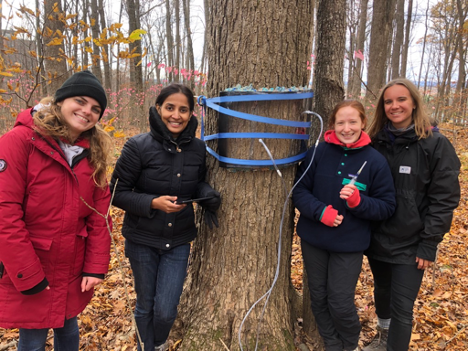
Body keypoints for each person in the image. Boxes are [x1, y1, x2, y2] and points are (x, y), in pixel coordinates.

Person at [0, 70, 112, 350]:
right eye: (80, 101)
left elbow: (100, 216)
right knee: (33, 338)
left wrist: (95, 267)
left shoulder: (93, 154)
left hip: (72, 264)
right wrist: (28, 274)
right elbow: (5, 213)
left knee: (68, 326)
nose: (87, 111)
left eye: (95, 108)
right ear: (60, 101)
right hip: (30, 261)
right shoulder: (19, 141)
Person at [110, 83, 220, 351]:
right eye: (170, 107)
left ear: (191, 114)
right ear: (158, 108)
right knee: (146, 304)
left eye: (184, 110)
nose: (176, 115)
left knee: (166, 310)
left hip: (178, 239)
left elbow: (197, 183)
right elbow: (116, 193)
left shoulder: (197, 148)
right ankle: (145, 347)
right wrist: (153, 203)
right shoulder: (137, 146)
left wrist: (207, 195)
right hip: (141, 239)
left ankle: (157, 343)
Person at [364, 78, 461, 351]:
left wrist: (429, 243)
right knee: (382, 293)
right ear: (383, 107)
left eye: (401, 99)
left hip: (412, 244)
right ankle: (384, 339)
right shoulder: (374, 143)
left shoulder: (435, 145)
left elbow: (445, 198)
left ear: (414, 102)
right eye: (389, 101)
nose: (395, 106)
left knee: (402, 307)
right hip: (377, 238)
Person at [293, 100, 396, 351]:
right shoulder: (318, 152)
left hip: (349, 244)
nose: (346, 128)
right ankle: (332, 345)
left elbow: (387, 206)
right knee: (317, 298)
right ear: (332, 125)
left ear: (363, 123)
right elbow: (299, 190)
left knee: (339, 302)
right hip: (314, 239)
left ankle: (349, 344)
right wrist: (320, 212)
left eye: (352, 122)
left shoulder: (375, 161)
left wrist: (359, 202)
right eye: (341, 122)